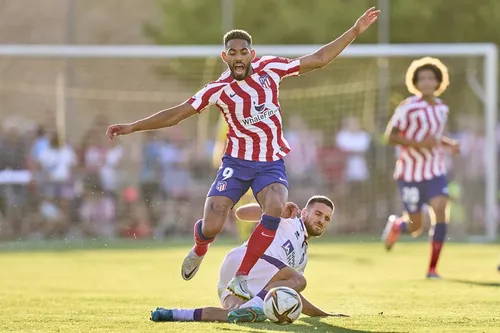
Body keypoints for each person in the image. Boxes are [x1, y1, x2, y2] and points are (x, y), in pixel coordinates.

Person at [106, 7, 380, 300]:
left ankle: (241, 277)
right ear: (225, 57)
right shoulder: (218, 89)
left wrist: (354, 31)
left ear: (252, 53)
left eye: (243, 51)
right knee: (212, 224)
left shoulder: (271, 69)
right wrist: (133, 127)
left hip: (270, 161)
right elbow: (177, 114)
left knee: (275, 204)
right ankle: (200, 249)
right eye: (232, 53)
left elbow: (319, 59)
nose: (238, 57)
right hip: (236, 162)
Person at [150, 195, 348, 323]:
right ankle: (255, 306)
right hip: (244, 262)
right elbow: (241, 213)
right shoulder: (289, 218)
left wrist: (323, 315)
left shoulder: (302, 258)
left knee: (234, 316)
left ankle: (171, 314)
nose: (321, 220)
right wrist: (278, 209)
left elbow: (289, 292)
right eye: (318, 214)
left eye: (327, 219)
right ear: (305, 212)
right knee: (300, 281)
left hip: (236, 279)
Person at [381, 57, 460, 279]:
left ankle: (432, 268)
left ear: (438, 82)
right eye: (422, 78)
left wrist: (448, 144)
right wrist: (418, 144)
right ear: (415, 82)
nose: (426, 82)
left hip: (435, 170)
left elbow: (434, 137)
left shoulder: (442, 108)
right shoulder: (408, 107)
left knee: (441, 208)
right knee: (415, 227)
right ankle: (398, 226)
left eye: (431, 78)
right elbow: (390, 137)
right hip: (410, 173)